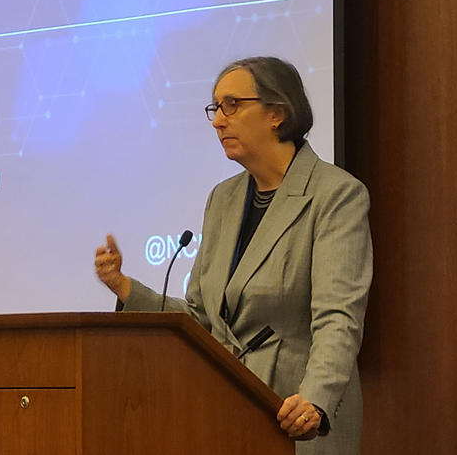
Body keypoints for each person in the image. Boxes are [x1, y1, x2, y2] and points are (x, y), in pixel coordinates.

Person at [94, 57, 372, 455]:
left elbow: (337, 320)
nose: (218, 121)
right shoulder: (223, 199)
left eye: (232, 105)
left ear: (277, 113)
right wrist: (124, 288)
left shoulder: (335, 195)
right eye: (215, 108)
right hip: (225, 409)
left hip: (296, 417)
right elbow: (201, 318)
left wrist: (314, 401)